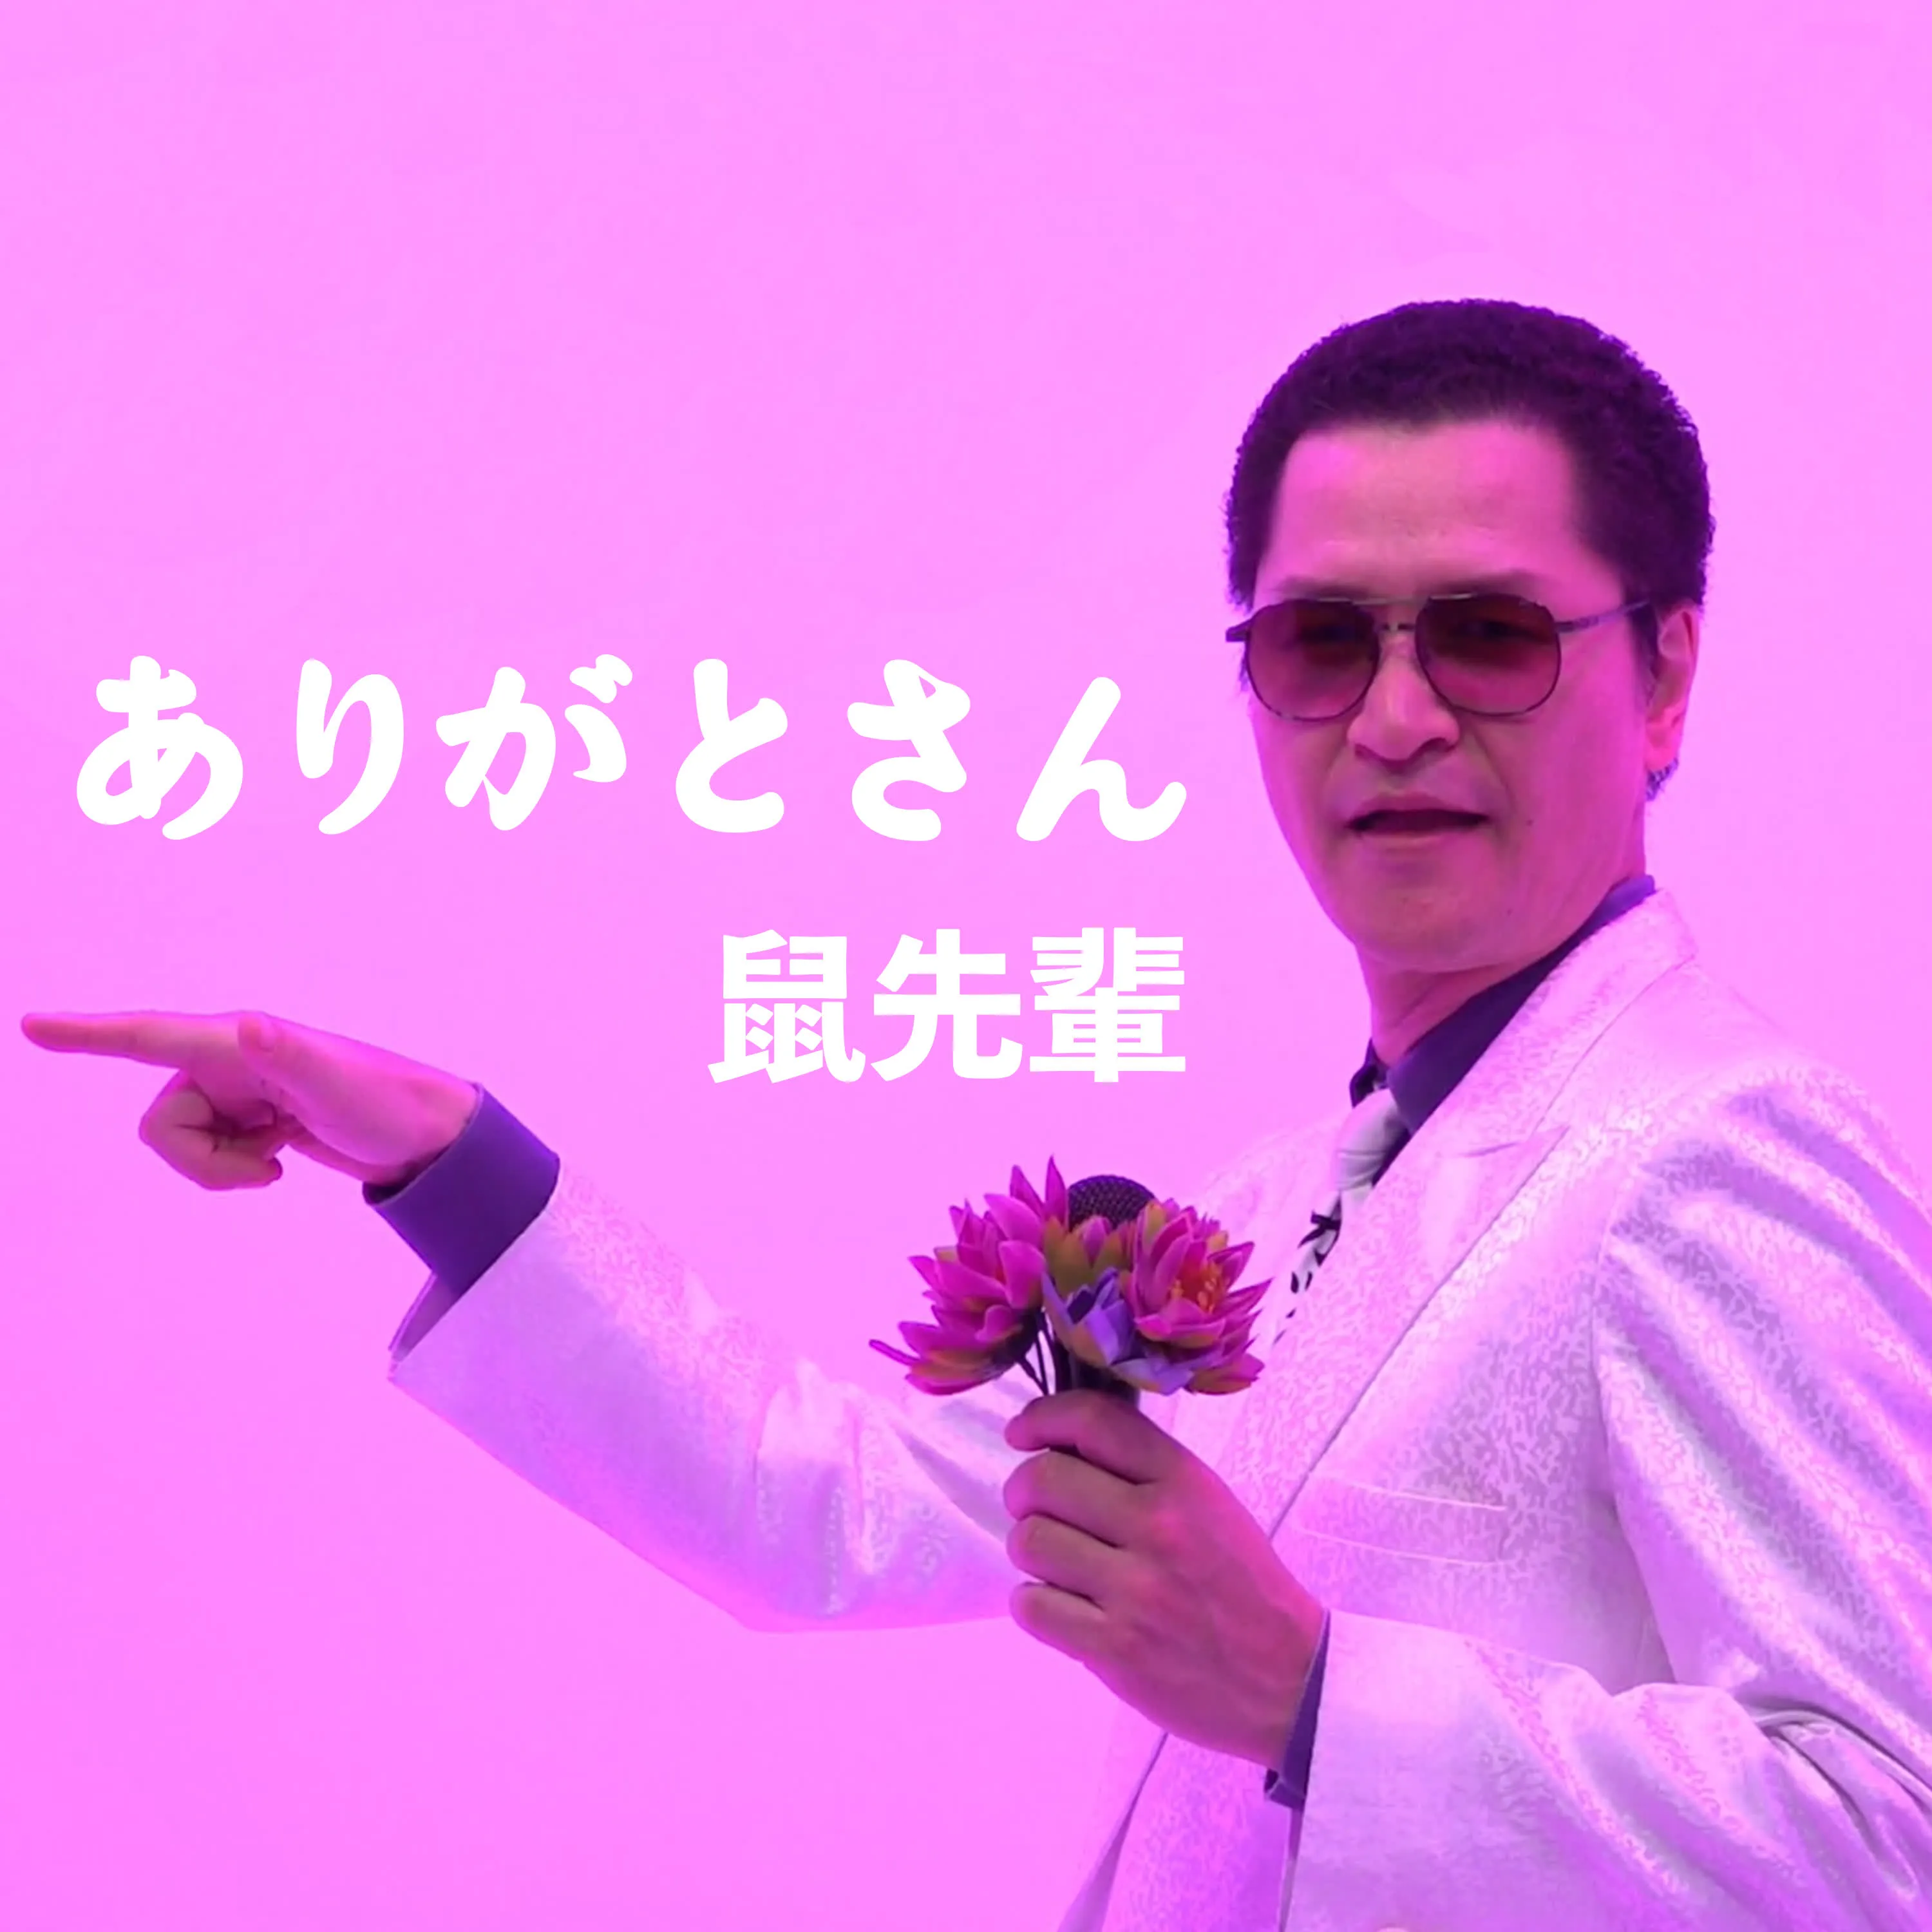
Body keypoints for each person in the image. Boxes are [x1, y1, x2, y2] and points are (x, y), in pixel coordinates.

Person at [23, 298, 1932, 1931]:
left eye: (1491, 636)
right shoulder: (1294, 1196)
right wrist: (442, 1156)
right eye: (1320, 644)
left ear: (1665, 674)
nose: (1398, 717)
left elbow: (1888, 1831)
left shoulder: (1721, 1149)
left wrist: (1316, 1701)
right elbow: (821, 1507)